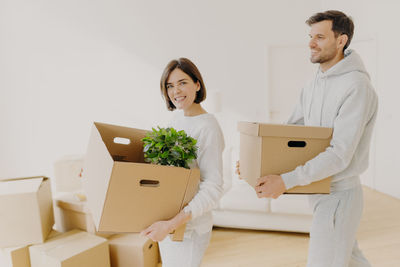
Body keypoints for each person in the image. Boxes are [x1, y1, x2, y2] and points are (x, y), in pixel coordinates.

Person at [238, 10, 377, 266]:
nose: (311, 43)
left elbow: (339, 154)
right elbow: (291, 132)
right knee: (349, 259)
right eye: (310, 36)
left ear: (341, 41)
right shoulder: (314, 83)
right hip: (320, 191)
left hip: (339, 195)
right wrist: (256, 164)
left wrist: (286, 181)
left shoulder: (356, 87)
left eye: (320, 37)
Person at [140, 57, 225, 267]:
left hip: (189, 227)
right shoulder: (177, 120)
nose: (176, 91)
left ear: (197, 84)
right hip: (168, 221)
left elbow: (212, 188)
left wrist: (171, 224)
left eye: (182, 83)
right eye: (170, 86)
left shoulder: (208, 127)